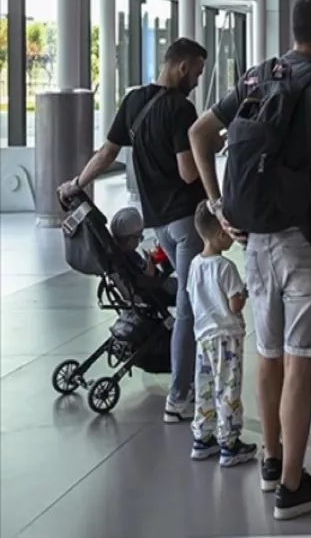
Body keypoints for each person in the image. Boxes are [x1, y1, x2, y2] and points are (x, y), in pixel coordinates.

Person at [188, 0, 311, 520]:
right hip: (305, 243)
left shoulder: (259, 76)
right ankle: (292, 487)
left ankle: (269, 460)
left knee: (269, 356)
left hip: (255, 241)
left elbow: (200, 132)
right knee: (301, 366)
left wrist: (216, 204)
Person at [59, 38, 208, 424]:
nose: (197, 79)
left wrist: (78, 183)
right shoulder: (181, 108)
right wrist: (212, 142)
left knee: (185, 296)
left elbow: (107, 152)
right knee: (191, 307)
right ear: (181, 66)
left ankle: (187, 372)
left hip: (157, 222)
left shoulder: (134, 102)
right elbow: (188, 172)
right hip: (186, 221)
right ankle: (180, 396)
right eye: (197, 70)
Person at [187, 201, 256, 468]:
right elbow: (234, 305)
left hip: (203, 336)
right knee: (228, 388)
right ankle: (229, 442)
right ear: (221, 233)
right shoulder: (225, 267)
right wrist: (244, 291)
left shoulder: (194, 264)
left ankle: (203, 438)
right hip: (226, 337)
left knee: (204, 386)